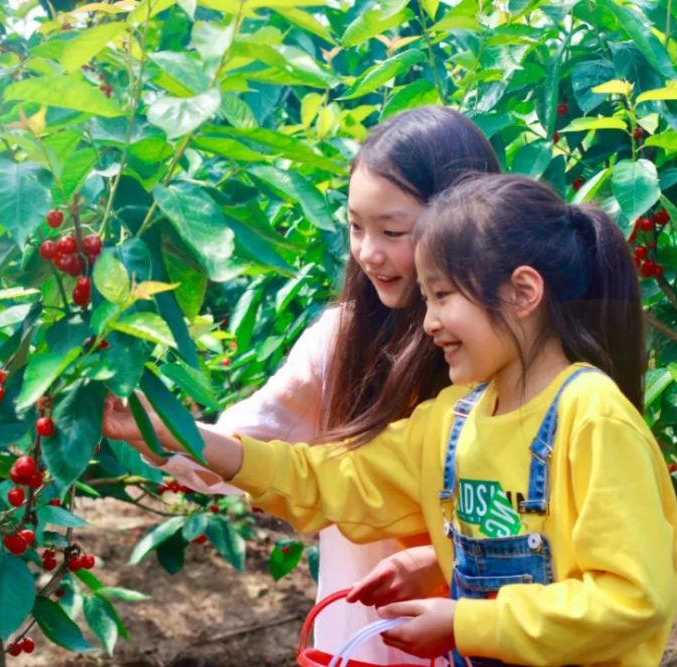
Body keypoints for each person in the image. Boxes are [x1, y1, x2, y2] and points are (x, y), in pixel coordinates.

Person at [108, 173, 677, 665]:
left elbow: (631, 598)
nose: (428, 322)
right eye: (426, 297)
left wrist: (465, 623)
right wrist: (181, 434)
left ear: (523, 292)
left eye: (442, 296)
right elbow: (326, 477)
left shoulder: (591, 418)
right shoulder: (453, 423)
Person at [114, 106, 500, 664]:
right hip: (363, 636)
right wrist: (164, 431)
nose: (367, 252)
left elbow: (550, 512)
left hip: (489, 637)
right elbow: (268, 449)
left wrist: (449, 560)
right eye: (355, 226)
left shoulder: (511, 360)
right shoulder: (344, 342)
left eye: (392, 231)